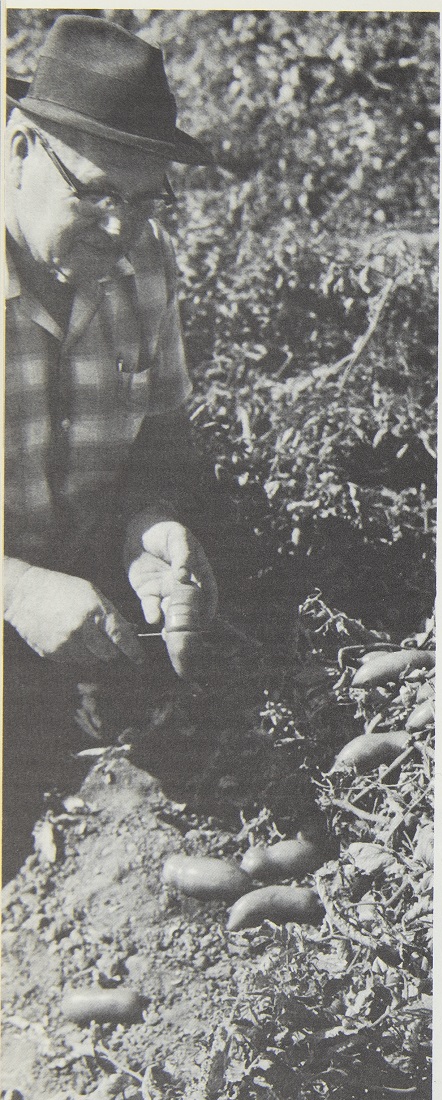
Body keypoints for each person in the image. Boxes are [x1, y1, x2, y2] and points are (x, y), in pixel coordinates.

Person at [3, 14, 220, 879]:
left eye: (143, 201)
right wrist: (16, 588)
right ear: (19, 147)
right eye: (96, 194)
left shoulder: (143, 263)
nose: (121, 229)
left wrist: (151, 526)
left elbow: (161, 435)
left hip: (80, 615)